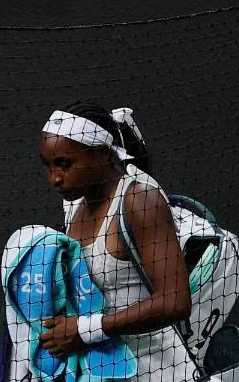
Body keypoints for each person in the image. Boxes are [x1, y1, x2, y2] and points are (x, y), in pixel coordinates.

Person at [36, 102, 199, 381]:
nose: (55, 178)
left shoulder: (140, 201)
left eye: (65, 164)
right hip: (105, 372)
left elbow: (175, 302)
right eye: (49, 166)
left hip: (160, 371)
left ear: (101, 154)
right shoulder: (73, 210)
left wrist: (85, 330)